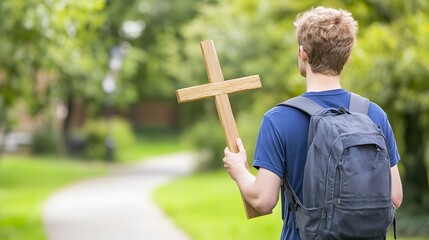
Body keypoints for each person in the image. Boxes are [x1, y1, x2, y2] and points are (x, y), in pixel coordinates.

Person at [223, 6, 403, 239]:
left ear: (303, 53)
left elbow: (263, 200)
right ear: (346, 57)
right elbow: (395, 196)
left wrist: (238, 170)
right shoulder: (374, 114)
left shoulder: (278, 120)